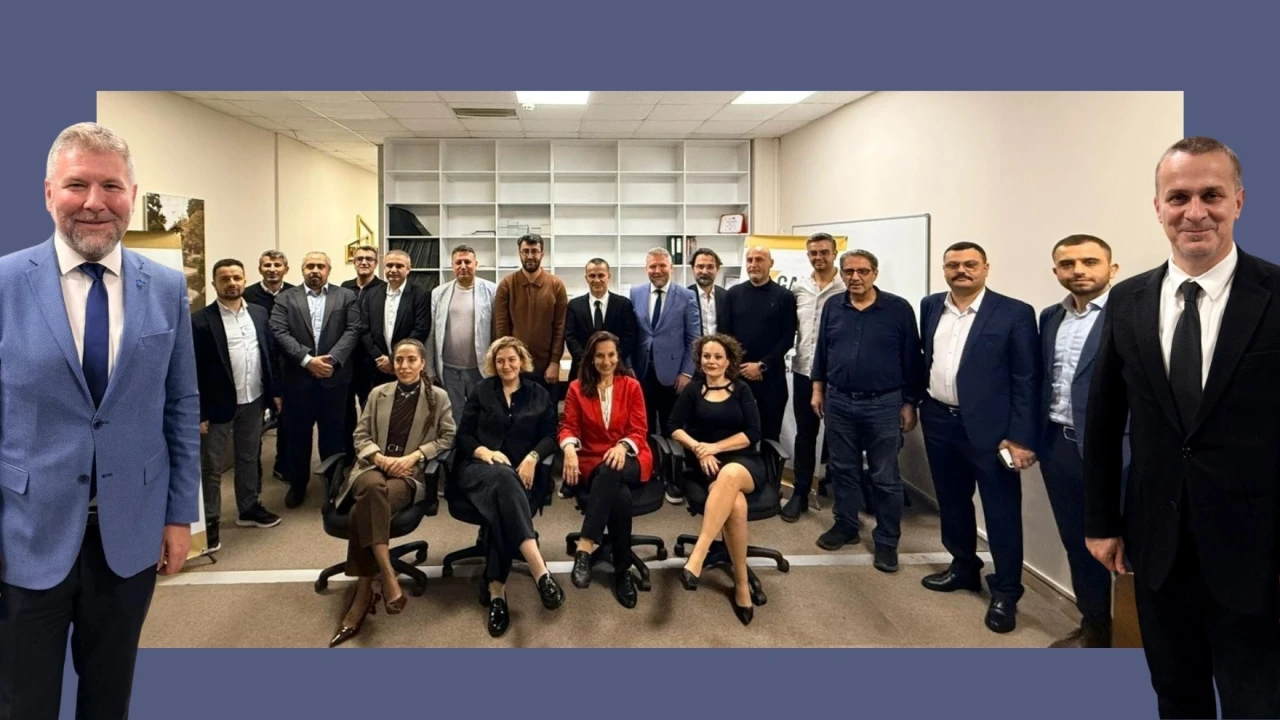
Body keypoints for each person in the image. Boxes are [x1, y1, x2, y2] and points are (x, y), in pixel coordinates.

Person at [0, 121, 200, 718]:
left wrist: (179, 516)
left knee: (109, 698)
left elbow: (181, 406)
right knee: (23, 701)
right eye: (76, 185)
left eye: (111, 186)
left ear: (131, 195)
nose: (94, 202)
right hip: (25, 535)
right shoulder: (5, 284)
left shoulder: (165, 288)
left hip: (129, 534)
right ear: (48, 193)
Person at [1084, 136, 1280, 718]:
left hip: (1258, 546)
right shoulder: (1128, 300)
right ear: (1158, 207)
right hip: (1157, 543)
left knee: (1257, 700)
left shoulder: (1275, 293)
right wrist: (1100, 522)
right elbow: (1104, 418)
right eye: (1178, 197)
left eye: (1211, 195)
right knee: (1176, 694)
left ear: (1239, 201)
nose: (1195, 212)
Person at [918, 241, 1040, 634]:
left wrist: (1020, 437)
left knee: (1001, 512)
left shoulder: (1014, 313)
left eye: (970, 264)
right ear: (944, 269)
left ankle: (1006, 590)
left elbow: (1027, 379)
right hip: (940, 421)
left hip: (993, 433)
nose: (961, 270)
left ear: (986, 268)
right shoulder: (930, 306)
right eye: (953, 264)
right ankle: (963, 567)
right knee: (952, 502)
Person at [328, 339, 455, 648]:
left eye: (411, 359)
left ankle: (363, 594)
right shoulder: (378, 393)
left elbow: (448, 436)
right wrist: (380, 458)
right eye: (399, 360)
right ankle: (387, 574)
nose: (404, 365)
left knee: (362, 510)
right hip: (371, 469)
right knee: (373, 487)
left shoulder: (438, 397)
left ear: (422, 363)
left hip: (407, 474)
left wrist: (414, 457)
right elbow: (360, 435)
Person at [810, 250, 923, 573]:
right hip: (839, 401)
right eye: (848, 272)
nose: (855, 277)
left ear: (875, 273)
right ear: (841, 273)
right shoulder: (834, 306)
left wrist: (910, 402)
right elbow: (822, 350)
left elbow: (912, 359)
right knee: (843, 468)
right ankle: (846, 524)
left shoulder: (898, 309)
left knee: (885, 476)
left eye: (862, 271)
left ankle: (886, 539)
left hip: (883, 404)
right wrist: (817, 389)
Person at [1037, 234, 1122, 649]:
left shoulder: (1129, 315)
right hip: (1059, 446)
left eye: (1090, 262)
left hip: (1116, 451)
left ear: (1112, 269)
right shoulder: (1050, 317)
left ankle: (1138, 634)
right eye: (1068, 264)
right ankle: (1095, 627)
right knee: (1077, 541)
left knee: (1128, 545)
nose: (1079, 271)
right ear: (1056, 272)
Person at [453, 337, 565, 638]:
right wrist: (484, 452)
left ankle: (496, 594)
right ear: (494, 364)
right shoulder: (482, 391)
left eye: (512, 359)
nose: (506, 365)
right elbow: (463, 436)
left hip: (524, 474)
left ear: (522, 361)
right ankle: (540, 571)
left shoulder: (538, 394)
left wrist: (532, 457)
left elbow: (551, 436)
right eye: (500, 360)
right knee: (503, 480)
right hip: (478, 470)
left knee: (500, 511)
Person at [668, 334, 766, 626]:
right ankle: (741, 584)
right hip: (706, 465)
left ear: (728, 361)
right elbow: (673, 426)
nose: (711, 361)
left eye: (718, 357)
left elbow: (753, 433)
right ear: (700, 360)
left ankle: (698, 555)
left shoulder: (742, 390)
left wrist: (714, 447)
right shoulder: (693, 390)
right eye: (706, 356)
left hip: (744, 462)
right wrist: (699, 448)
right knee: (736, 505)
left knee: (731, 473)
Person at [192, 258, 283, 554]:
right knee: (212, 466)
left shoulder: (258, 313)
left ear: (245, 280)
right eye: (225, 279)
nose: (232, 283)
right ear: (214, 284)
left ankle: (248, 508)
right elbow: (191, 370)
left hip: (253, 398)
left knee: (249, 456)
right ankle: (210, 521)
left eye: (236, 278)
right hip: (216, 406)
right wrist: (199, 412)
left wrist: (273, 393)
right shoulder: (200, 321)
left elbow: (267, 354)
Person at [560, 331, 652, 608]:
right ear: (591, 358)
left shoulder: (631, 386)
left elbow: (639, 430)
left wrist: (622, 447)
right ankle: (622, 570)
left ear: (617, 356)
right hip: (593, 460)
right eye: (600, 355)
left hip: (632, 456)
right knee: (617, 492)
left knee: (611, 470)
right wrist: (568, 449)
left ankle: (586, 544)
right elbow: (568, 426)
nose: (606, 361)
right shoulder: (577, 388)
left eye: (611, 355)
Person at [269, 251, 363, 509]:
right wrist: (307, 360)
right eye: (310, 265)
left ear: (328, 270)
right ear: (302, 270)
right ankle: (297, 485)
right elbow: (278, 330)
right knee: (297, 436)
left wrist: (330, 360)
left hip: (334, 379)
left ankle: (332, 485)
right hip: (298, 380)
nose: (315, 270)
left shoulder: (346, 296)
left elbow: (353, 329)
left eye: (320, 266)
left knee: (333, 436)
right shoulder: (286, 298)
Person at [782, 233, 845, 520]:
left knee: (840, 438)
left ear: (834, 253)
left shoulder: (847, 287)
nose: (818, 257)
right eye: (813, 253)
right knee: (805, 435)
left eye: (824, 252)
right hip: (804, 372)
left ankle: (843, 502)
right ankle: (800, 493)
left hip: (837, 377)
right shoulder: (799, 289)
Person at [630, 247, 700, 504]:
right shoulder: (636, 293)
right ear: (646, 269)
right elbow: (631, 333)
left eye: (662, 266)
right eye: (652, 266)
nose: (657, 271)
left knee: (673, 428)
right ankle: (650, 472)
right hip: (641, 374)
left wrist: (687, 372)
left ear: (671, 267)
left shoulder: (686, 296)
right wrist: (629, 367)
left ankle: (674, 478)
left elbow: (694, 338)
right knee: (644, 427)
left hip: (674, 375)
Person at [719, 245, 797, 443]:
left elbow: (787, 338)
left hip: (771, 379)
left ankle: (769, 466)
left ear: (771, 264)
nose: (753, 264)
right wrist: (739, 366)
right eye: (750, 260)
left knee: (770, 436)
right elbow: (724, 336)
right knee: (735, 435)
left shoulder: (784, 297)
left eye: (759, 259)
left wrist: (761, 365)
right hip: (737, 376)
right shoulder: (733, 294)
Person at [428, 244, 497, 424]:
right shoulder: (438, 293)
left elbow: (497, 330)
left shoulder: (492, 291)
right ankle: (457, 443)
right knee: (453, 417)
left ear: (476, 264)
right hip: (449, 369)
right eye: (458, 262)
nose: (463, 266)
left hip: (479, 368)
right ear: (452, 265)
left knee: (480, 414)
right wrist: (430, 368)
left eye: (467, 262)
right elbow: (432, 333)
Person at [492, 233, 569, 392]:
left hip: (546, 367)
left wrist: (555, 362)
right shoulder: (507, 285)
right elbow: (502, 329)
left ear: (542, 254)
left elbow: (560, 328)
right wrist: (508, 363)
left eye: (534, 251)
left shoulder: (556, 285)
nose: (530, 256)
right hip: (516, 367)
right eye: (525, 251)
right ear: (519, 253)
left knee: (547, 408)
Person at [244, 249, 294, 483]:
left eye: (277, 265)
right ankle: (252, 470)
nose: (272, 269)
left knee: (287, 419)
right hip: (257, 364)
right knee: (255, 421)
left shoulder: (295, 293)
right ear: (260, 269)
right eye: (267, 265)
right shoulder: (247, 295)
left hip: (288, 364)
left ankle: (283, 465)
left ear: (286, 269)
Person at [359, 249, 431, 390]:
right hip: (377, 365)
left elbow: (421, 329)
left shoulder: (420, 294)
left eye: (399, 266)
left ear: (408, 269)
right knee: (378, 400)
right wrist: (380, 358)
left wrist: (393, 359)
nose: (393, 270)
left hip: (407, 365)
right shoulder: (372, 294)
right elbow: (364, 329)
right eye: (389, 265)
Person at [341, 245, 387, 458]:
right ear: (354, 262)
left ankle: (373, 453)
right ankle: (348, 454)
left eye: (369, 259)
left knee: (372, 408)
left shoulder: (383, 289)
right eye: (359, 259)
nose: (364, 262)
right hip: (347, 360)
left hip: (373, 360)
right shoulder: (345, 288)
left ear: (376, 263)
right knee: (345, 410)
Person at [564, 258, 637, 389]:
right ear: (586, 278)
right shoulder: (574, 306)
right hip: (582, 370)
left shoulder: (624, 304)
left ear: (608, 276)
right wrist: (589, 361)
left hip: (615, 369)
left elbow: (629, 336)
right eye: (592, 276)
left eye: (601, 275)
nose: (597, 280)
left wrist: (611, 359)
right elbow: (570, 337)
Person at [688, 247, 728, 336]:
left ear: (717, 268)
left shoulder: (726, 297)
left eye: (710, 267)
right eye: (700, 266)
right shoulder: (684, 297)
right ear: (693, 268)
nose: (705, 272)